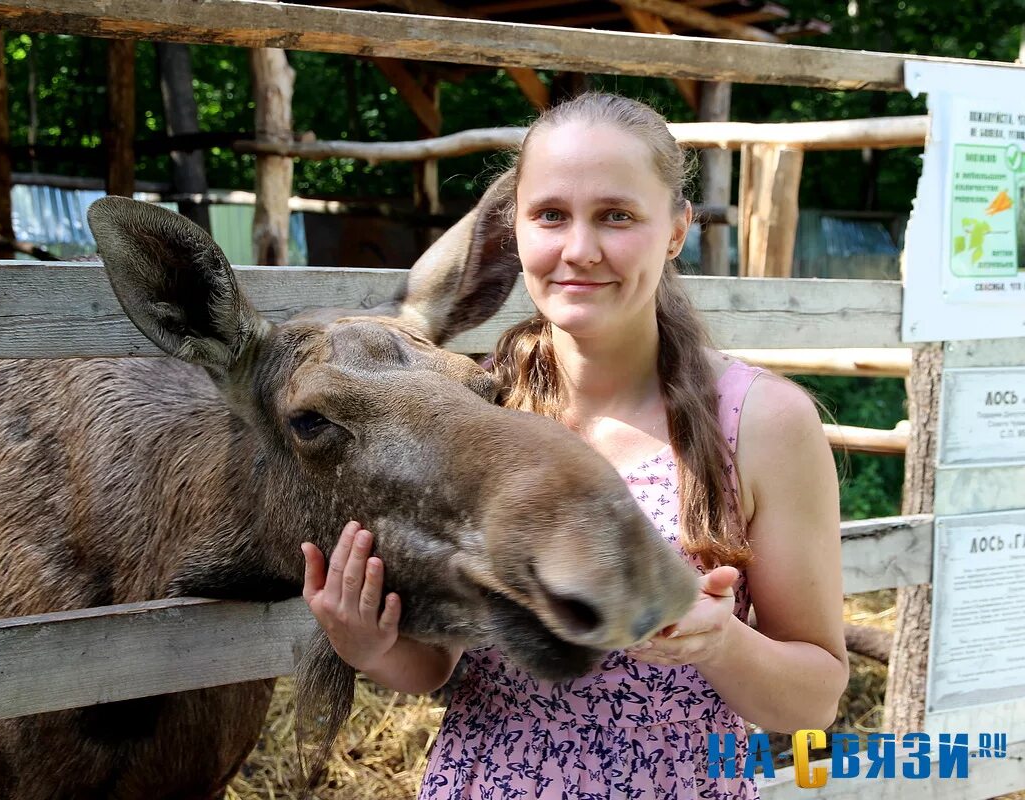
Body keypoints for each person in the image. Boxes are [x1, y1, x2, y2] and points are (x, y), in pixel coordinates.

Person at [301, 92, 848, 799]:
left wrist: (720, 643)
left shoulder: (761, 422)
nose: (579, 250)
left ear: (677, 230)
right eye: (551, 215)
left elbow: (813, 702)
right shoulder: (472, 410)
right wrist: (372, 646)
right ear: (516, 231)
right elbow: (438, 666)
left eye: (616, 216)